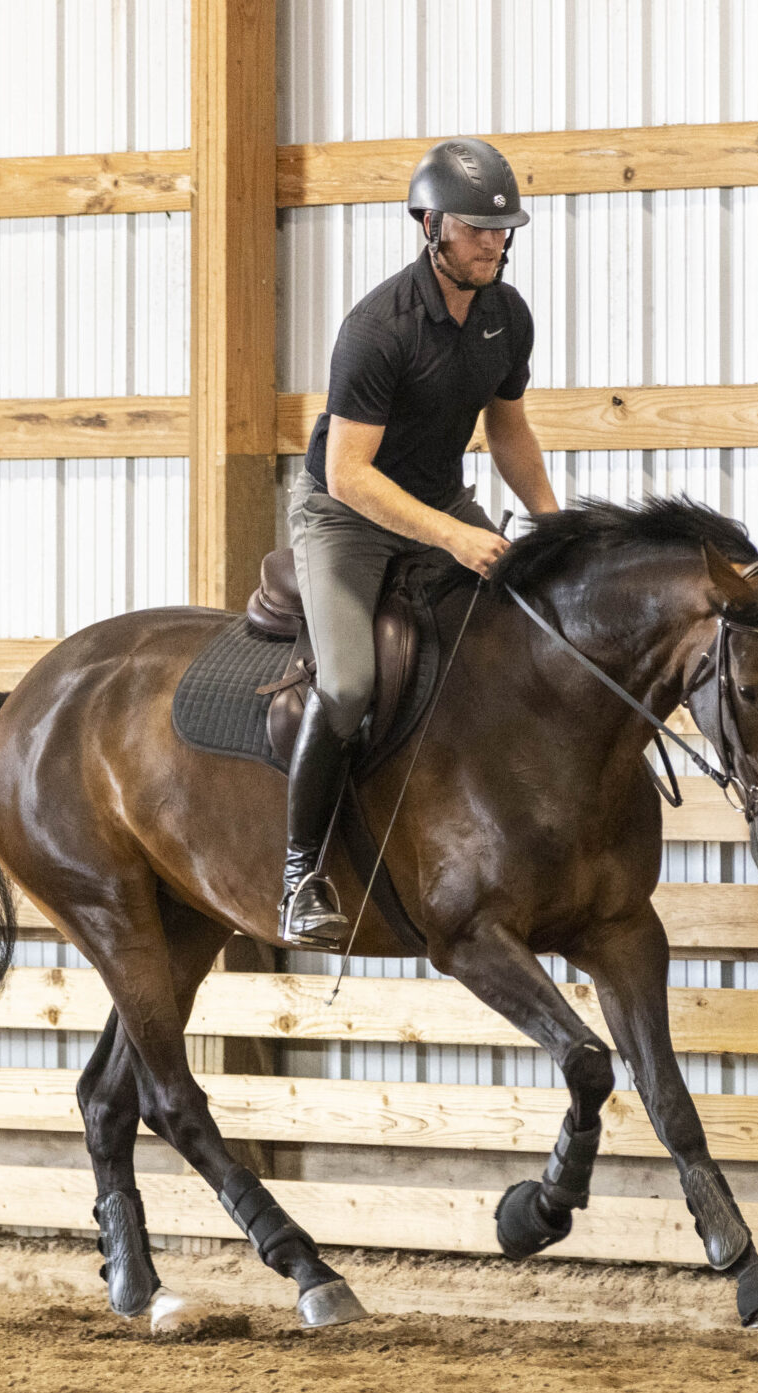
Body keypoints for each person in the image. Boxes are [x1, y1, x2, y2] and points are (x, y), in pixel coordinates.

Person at [280, 136, 560, 949]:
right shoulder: (377, 329)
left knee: (534, 633)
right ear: (430, 224)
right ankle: (301, 874)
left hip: (440, 499)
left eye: (504, 231)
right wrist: (454, 537)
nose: (494, 243)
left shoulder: (507, 314)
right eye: (478, 229)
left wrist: (549, 521)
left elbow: (508, 432)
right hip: (345, 517)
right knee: (347, 686)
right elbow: (351, 475)